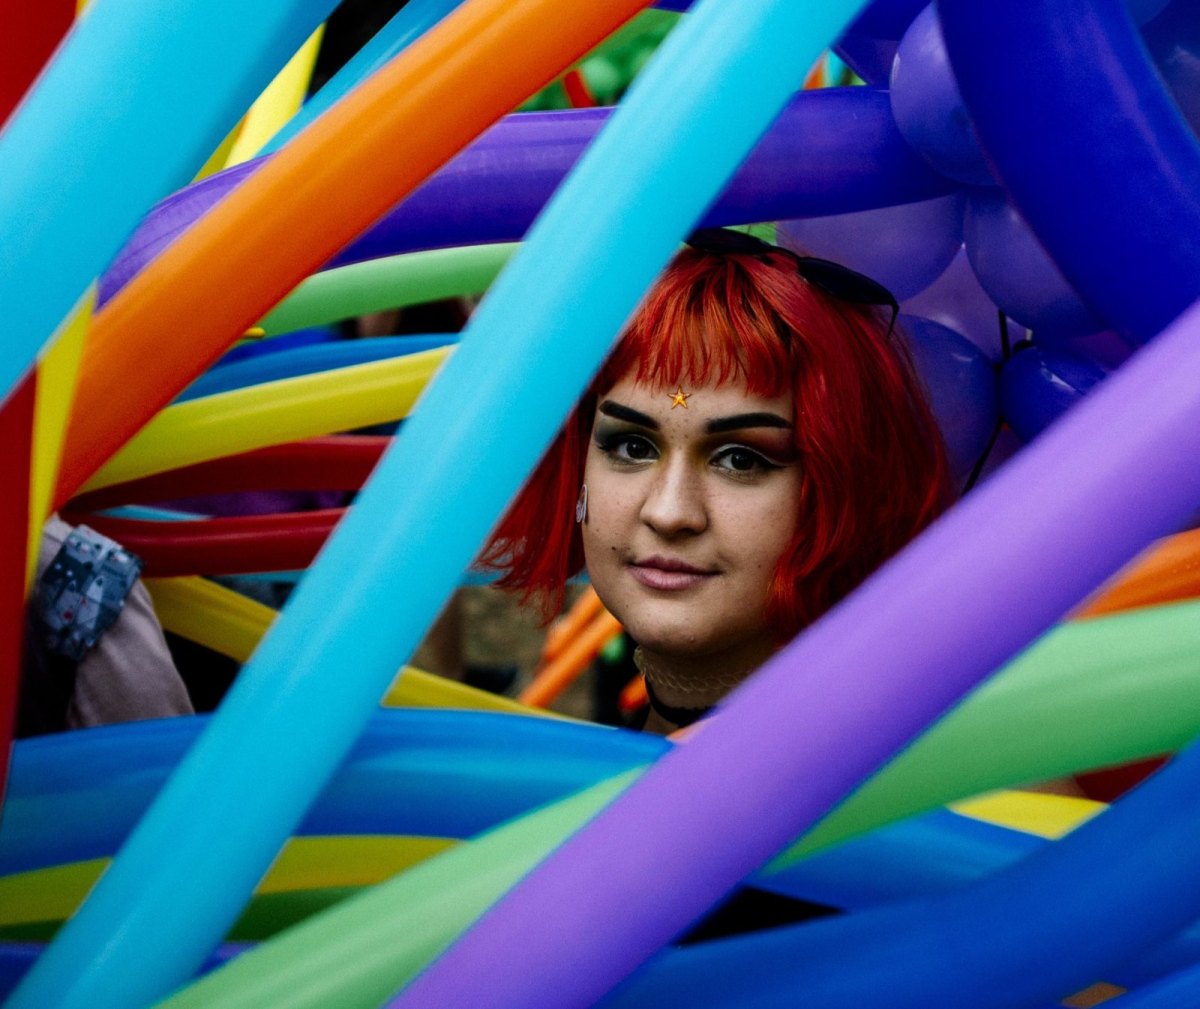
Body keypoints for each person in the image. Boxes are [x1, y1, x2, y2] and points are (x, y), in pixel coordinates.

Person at [482, 228, 950, 733]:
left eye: (741, 460)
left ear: (843, 486)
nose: (669, 512)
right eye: (632, 447)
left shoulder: (889, 776)